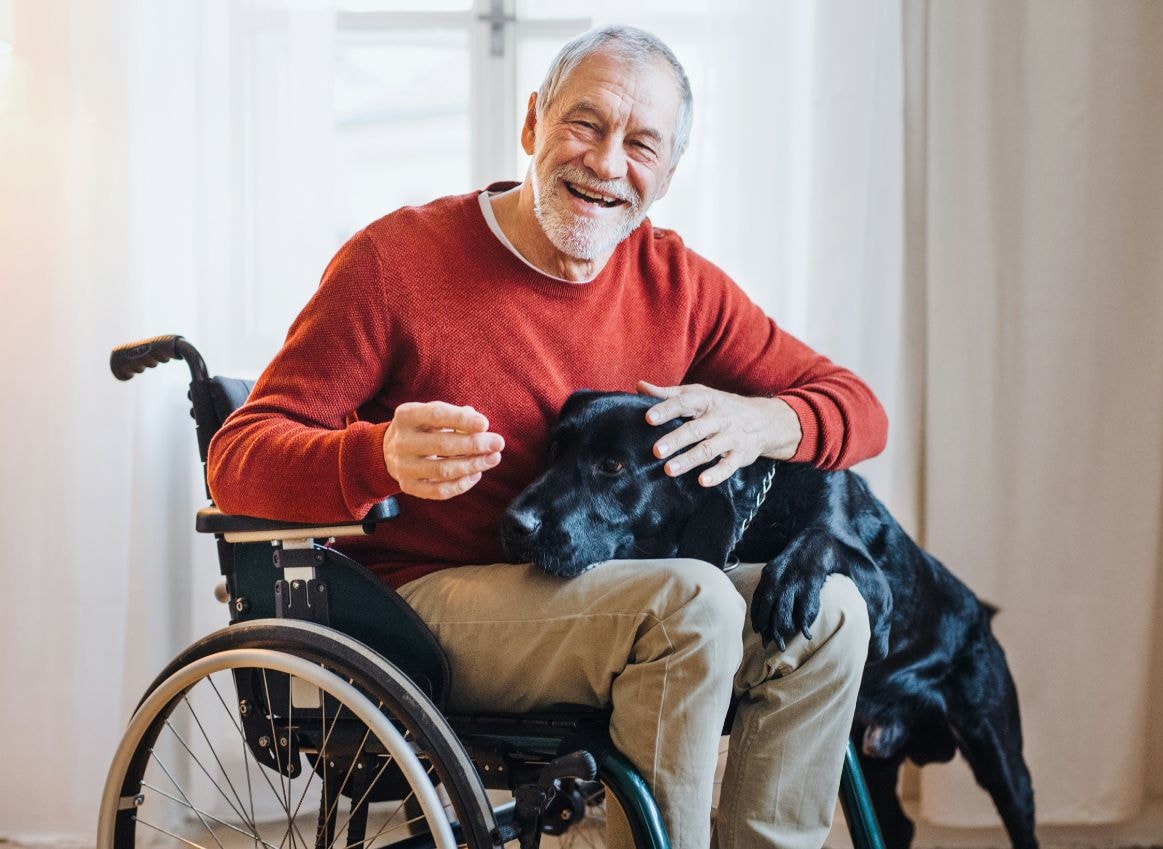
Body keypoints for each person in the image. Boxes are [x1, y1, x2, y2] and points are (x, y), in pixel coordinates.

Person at [208, 24, 887, 849]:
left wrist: (762, 418)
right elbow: (237, 458)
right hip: (426, 606)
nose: (606, 163)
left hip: (605, 596)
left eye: (641, 143)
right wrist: (374, 453)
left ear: (667, 174)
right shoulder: (396, 261)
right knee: (694, 600)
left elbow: (858, 409)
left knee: (834, 610)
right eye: (585, 124)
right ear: (532, 124)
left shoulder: (678, 282)